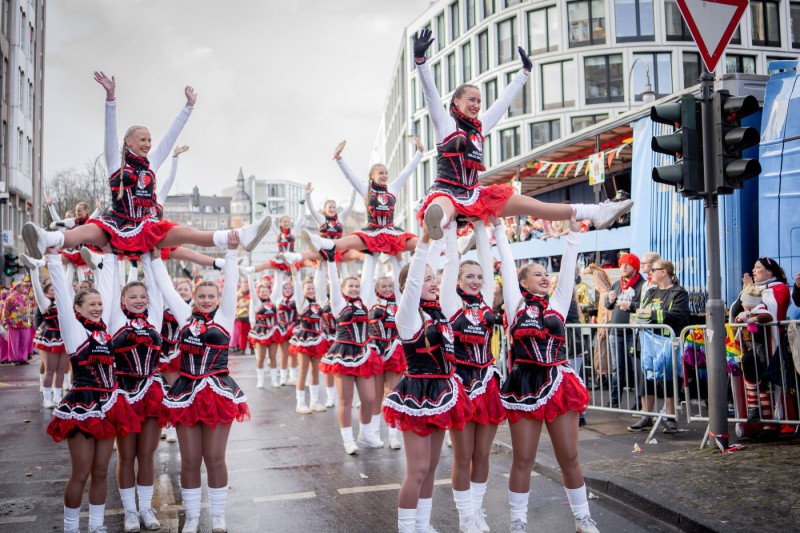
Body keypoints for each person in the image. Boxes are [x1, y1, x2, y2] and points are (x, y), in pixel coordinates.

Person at [410, 28, 632, 241]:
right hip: (447, 191)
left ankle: (597, 211)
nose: (477, 105)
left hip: (475, 193)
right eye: (471, 99)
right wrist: (421, 61)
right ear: (456, 101)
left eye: (479, 101)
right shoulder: (445, 124)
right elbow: (430, 94)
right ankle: (442, 226)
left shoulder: (479, 126)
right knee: (441, 208)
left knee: (536, 206)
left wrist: (524, 73)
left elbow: (503, 102)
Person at [22, 72, 272, 261]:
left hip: (146, 227)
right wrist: (110, 98)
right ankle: (46, 239)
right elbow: (110, 130)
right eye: (142, 139)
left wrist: (188, 107)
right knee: (87, 230)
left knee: (186, 233)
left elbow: (170, 137)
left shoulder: (152, 162)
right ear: (128, 142)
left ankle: (240, 236)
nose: (148, 143)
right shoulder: (114, 163)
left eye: (150, 140)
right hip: (117, 226)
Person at [494, 216, 597, 533]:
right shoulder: (514, 306)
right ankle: (518, 523)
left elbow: (568, 269)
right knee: (523, 459)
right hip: (523, 383)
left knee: (569, 456)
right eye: (537, 274)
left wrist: (574, 233)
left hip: (557, 382)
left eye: (545, 274)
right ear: (522, 282)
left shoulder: (558, 303)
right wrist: (498, 227)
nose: (544, 277)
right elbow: (507, 260)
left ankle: (582, 518)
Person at [153, 232, 250, 533]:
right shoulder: (184, 317)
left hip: (218, 392)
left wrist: (231, 253)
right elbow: (167, 289)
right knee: (190, 460)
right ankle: (193, 516)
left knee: (215, 457)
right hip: (185, 392)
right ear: (194, 298)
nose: (206, 301)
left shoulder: (225, 317)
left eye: (211, 297)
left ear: (218, 299)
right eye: (201, 296)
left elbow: (231, 283)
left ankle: (218, 514)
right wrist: (154, 256)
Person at [383, 234, 474, 533]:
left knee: (433, 465)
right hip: (417, 395)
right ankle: (407, 528)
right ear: (410, 287)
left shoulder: (439, 312)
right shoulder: (407, 316)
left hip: (443, 391)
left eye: (433, 278)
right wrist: (423, 242)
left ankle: (422, 524)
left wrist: (448, 233)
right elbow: (415, 275)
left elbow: (451, 263)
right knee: (418, 468)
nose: (433, 283)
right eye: (426, 280)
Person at [45, 251, 140, 533]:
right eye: (91, 304)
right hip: (82, 406)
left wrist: (111, 259)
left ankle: (97, 526)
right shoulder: (74, 331)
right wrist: (53, 258)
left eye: (100, 303)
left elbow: (112, 291)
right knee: (81, 473)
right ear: (78, 309)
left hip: (109, 405)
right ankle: (71, 528)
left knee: (101, 471)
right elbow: (62, 297)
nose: (98, 307)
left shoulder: (105, 331)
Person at [441, 222, 504, 533]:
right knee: (463, 455)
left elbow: (488, 258)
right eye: (470, 276)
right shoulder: (450, 304)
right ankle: (465, 515)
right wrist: (451, 227)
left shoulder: (487, 303)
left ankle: (477, 511)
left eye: (480, 277)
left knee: (482, 454)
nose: (477, 281)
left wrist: (482, 225)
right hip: (462, 385)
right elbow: (453, 259)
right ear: (457, 280)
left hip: (488, 382)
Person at [99, 254, 165, 531]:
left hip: (151, 391)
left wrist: (152, 257)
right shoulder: (114, 320)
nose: (139, 300)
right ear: (123, 301)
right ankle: (129, 511)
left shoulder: (156, 317)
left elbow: (158, 286)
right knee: (126, 456)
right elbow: (110, 286)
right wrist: (112, 255)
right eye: (133, 296)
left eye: (142, 296)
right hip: (124, 395)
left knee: (147, 455)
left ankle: (147, 508)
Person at [301, 137, 424, 265]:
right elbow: (350, 177)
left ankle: (439, 247)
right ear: (372, 176)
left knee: (418, 244)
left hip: (391, 232)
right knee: (346, 242)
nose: (385, 176)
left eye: (386, 173)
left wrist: (419, 153)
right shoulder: (367, 190)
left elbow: (406, 172)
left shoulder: (393, 188)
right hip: (372, 232)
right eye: (381, 173)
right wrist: (339, 159)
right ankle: (318, 241)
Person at [320, 262, 383, 454]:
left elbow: (368, 274)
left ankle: (365, 433)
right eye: (351, 286)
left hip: (363, 353)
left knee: (369, 398)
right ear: (342, 289)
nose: (355, 289)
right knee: (345, 399)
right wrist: (331, 261)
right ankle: (348, 439)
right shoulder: (338, 304)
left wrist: (371, 256)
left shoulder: (364, 302)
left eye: (357, 286)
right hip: (343, 353)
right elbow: (332, 278)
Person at [629, 259, 690, 433]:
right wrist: (640, 315)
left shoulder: (679, 292)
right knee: (645, 378)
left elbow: (678, 315)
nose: (650, 273)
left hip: (667, 342)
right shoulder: (651, 292)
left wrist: (651, 313)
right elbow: (642, 311)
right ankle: (646, 416)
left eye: (653, 270)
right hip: (648, 342)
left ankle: (671, 418)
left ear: (664, 272)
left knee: (668, 379)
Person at [730, 258, 792, 428]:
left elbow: (769, 309)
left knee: (767, 379)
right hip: (755, 342)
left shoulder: (779, 288)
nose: (753, 270)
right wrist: (748, 291)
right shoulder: (756, 289)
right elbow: (737, 308)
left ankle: (771, 424)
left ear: (769, 272)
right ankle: (755, 411)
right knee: (749, 363)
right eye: (754, 266)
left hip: (774, 344)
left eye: (758, 267)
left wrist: (750, 299)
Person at [364, 275, 405, 450]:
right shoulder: (373, 306)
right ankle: (373, 432)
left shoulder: (399, 305)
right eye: (384, 286)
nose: (388, 289)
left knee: (393, 393)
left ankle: (393, 435)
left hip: (395, 350)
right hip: (377, 352)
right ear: (377, 289)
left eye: (390, 286)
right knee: (377, 394)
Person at [21, 254, 68, 408]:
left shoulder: (64, 301)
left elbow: (65, 282)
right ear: (46, 292)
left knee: (61, 369)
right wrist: (34, 270)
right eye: (51, 289)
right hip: (49, 336)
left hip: (63, 337)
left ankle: (58, 396)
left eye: (56, 288)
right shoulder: (44, 302)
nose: (55, 291)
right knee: (50, 369)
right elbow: (37, 289)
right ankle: (47, 398)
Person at [605, 253, 645, 410]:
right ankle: (614, 401)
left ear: (635, 267)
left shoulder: (641, 285)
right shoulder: (616, 284)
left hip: (632, 334)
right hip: (615, 333)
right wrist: (609, 299)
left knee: (636, 369)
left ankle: (638, 403)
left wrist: (632, 305)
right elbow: (609, 306)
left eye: (628, 264)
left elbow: (643, 305)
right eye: (621, 264)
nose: (623, 267)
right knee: (617, 369)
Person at [288, 265, 328, 413]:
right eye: (308, 289)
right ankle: (300, 403)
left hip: (318, 339)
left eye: (312, 288)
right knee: (303, 372)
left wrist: (319, 266)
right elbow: (297, 284)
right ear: (303, 291)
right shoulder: (301, 303)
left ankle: (315, 401)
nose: (311, 290)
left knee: (315, 372)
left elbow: (321, 283)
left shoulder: (319, 303)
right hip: (304, 340)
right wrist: (293, 268)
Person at [247, 275, 281, 388]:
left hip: (272, 331)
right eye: (262, 291)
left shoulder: (272, 299)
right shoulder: (256, 301)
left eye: (266, 291)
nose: (264, 293)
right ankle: (260, 380)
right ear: (259, 292)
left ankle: (274, 380)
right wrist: (249, 276)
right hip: (260, 332)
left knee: (273, 357)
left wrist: (278, 272)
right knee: (261, 357)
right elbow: (251, 290)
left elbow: (277, 285)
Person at [1, 279, 34, 365]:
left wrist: (30, 320)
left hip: (25, 323)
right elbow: (5, 312)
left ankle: (22, 358)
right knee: (14, 343)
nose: (24, 288)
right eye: (22, 286)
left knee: (24, 342)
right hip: (13, 324)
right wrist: (6, 323)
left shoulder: (25, 298)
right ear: (17, 287)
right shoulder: (9, 298)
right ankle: (13, 359)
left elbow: (28, 311)